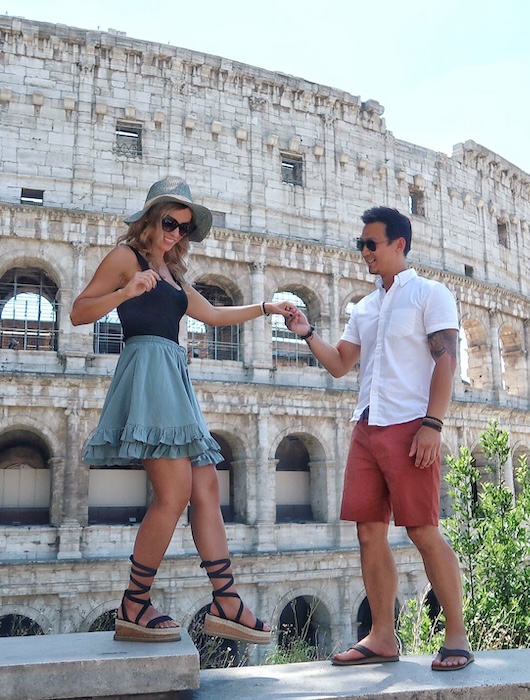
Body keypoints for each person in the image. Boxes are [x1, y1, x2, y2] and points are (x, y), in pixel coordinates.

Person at [70, 177, 295, 644]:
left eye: (185, 229)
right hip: (148, 371)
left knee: (206, 484)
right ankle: (134, 604)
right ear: (151, 217)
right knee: (173, 495)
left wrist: (266, 308)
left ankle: (226, 600)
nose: (176, 234)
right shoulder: (125, 258)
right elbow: (78, 312)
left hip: (174, 374)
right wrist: (126, 292)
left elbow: (211, 315)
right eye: (170, 222)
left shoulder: (171, 272)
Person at [286, 207, 473, 671]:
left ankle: (456, 636)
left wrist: (434, 424)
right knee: (368, 531)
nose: (365, 252)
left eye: (372, 243)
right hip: (367, 426)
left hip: (412, 425)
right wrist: (306, 331)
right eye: (361, 245)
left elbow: (445, 360)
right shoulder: (365, 307)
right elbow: (340, 363)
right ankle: (382, 636)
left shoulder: (431, 294)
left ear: (399, 244)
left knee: (423, 530)